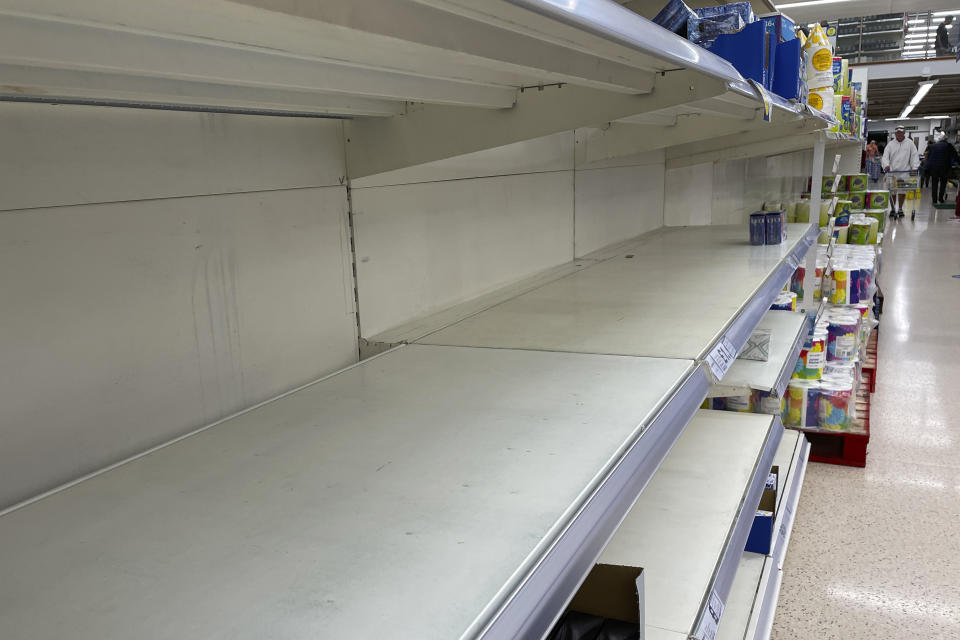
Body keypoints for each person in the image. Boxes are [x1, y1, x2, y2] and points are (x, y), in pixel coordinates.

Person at [882, 125, 920, 218]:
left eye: (901, 132)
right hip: (892, 172)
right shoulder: (890, 144)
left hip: (905, 172)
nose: (899, 134)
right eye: (897, 132)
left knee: (902, 192)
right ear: (895, 133)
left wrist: (915, 167)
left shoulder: (910, 143)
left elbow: (914, 155)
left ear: (904, 133)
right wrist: (886, 165)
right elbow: (885, 156)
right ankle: (893, 209)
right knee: (892, 192)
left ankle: (900, 209)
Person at [925, 131, 959, 204]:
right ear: (946, 140)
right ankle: (940, 198)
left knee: (934, 184)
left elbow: (929, 158)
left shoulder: (933, 146)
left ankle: (934, 200)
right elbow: (955, 155)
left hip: (934, 168)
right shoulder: (948, 145)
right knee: (943, 183)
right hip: (944, 168)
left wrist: (927, 168)